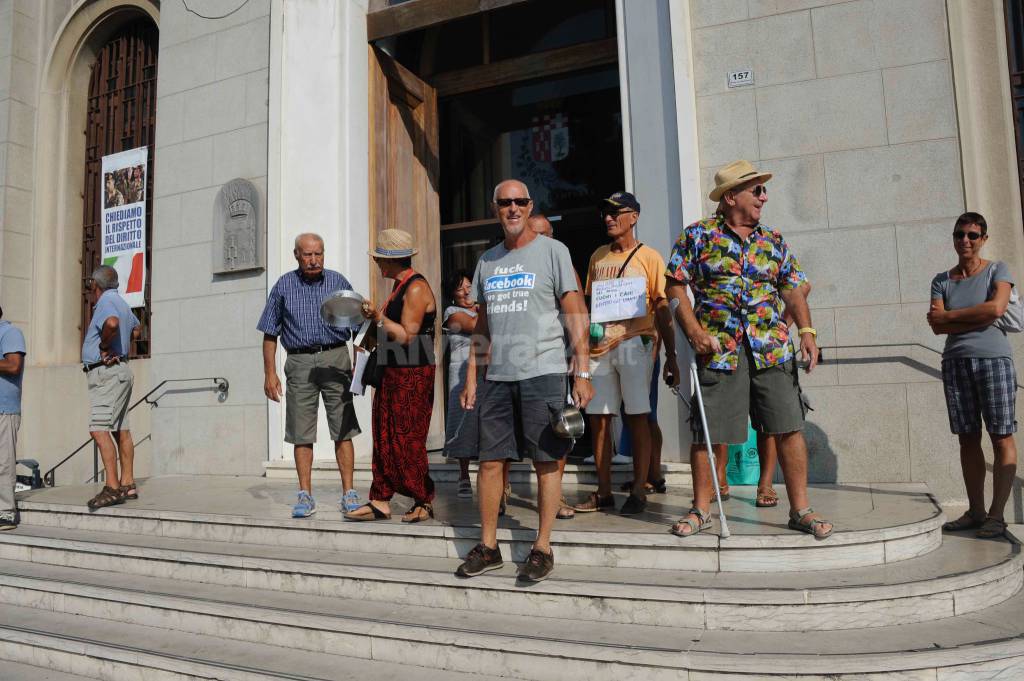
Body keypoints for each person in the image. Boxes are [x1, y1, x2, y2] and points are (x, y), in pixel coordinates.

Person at [665, 159, 832, 539]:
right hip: (719, 350)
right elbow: (674, 286)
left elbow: (794, 286)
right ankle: (701, 510)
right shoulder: (698, 236)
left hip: (771, 348)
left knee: (789, 426)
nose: (763, 196)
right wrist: (692, 332)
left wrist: (806, 329)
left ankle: (800, 509)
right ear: (730, 197)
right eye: (756, 189)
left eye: (763, 189)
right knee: (708, 433)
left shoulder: (773, 241)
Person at [456, 180, 593, 582]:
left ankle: (542, 546)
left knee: (547, 460)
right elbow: (482, 326)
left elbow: (575, 313)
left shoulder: (554, 251)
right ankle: (488, 546)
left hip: (545, 370)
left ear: (530, 205)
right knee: (490, 462)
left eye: (520, 202)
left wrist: (581, 372)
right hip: (498, 375)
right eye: (505, 203)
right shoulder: (487, 261)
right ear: (495, 208)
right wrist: (471, 376)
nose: (513, 208)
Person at [575, 192, 679, 516]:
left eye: (616, 212)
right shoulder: (597, 257)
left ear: (633, 216)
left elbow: (661, 304)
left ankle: (639, 488)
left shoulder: (650, 257)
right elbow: (591, 305)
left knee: (638, 415)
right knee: (599, 419)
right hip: (600, 346)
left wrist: (671, 353)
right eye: (605, 212)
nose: (608, 218)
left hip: (637, 341)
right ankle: (603, 491)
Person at [258, 233, 362, 518]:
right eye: (308, 255)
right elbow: (270, 333)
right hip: (299, 361)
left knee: (343, 428)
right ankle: (305, 494)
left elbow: (360, 326)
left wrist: (359, 363)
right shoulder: (284, 286)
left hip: (335, 358)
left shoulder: (338, 282)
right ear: (296, 255)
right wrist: (270, 373)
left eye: (319, 253)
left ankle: (349, 492)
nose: (314, 260)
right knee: (301, 432)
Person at [929, 212, 1018, 539]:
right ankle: (976, 510)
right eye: (959, 234)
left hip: (994, 361)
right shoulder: (942, 279)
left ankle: (996, 515)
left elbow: (996, 309)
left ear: (983, 238)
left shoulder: (998, 269)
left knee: (1001, 435)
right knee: (967, 437)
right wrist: (974, 317)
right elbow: (937, 325)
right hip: (956, 362)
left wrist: (953, 316)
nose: (965, 240)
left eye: (972, 234)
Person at [347, 229, 438, 523]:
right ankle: (381, 499)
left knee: (408, 438)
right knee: (384, 435)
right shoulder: (399, 288)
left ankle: (423, 499)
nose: (375, 263)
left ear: (389, 261)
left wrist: (377, 317)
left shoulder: (415, 288)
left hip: (412, 372)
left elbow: (407, 336)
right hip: (392, 371)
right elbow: (385, 331)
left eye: (378, 259)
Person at [82, 265, 141, 509]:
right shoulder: (122, 302)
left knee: (99, 429)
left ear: (96, 286)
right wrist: (121, 347)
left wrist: (106, 347)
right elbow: (136, 329)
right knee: (120, 428)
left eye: (91, 287)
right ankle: (128, 483)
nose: (91, 292)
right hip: (120, 372)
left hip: (106, 373)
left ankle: (113, 487)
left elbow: (113, 323)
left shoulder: (106, 302)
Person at [442, 269, 479, 498]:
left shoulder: (482, 308)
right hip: (460, 374)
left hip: (485, 370)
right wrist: (484, 310)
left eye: (469, 285)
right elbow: (475, 326)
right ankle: (464, 474)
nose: (466, 291)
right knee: (462, 422)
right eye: (459, 288)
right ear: (453, 295)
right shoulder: (452, 312)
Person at [0, 308, 25, 531]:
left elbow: (13, 365)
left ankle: (6, 513)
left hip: (4, 410)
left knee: (4, 463)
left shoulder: (9, 333)